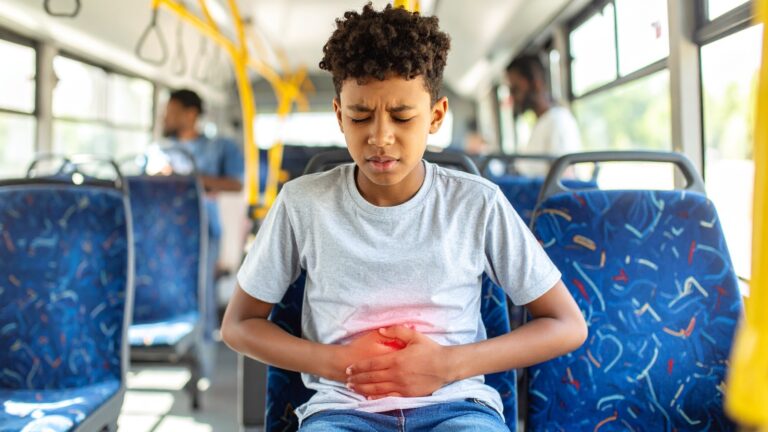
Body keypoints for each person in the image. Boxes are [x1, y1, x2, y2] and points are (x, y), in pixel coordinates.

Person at [222, 4, 586, 431]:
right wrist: (335, 361)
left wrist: (446, 365)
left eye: (402, 116)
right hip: (342, 410)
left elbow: (566, 324)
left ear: (435, 116)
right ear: (339, 115)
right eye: (360, 116)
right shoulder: (303, 204)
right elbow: (238, 325)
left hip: (458, 406)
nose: (380, 136)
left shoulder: (477, 203)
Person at [161, 89, 244, 343]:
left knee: (202, 286)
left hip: (204, 225)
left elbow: (236, 184)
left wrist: (188, 182)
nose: (167, 117)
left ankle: (205, 342)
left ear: (191, 114)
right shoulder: (161, 150)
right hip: (164, 228)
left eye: (172, 112)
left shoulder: (219, 147)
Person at [506, 54, 581, 157]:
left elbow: (565, 172)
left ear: (536, 84)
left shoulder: (558, 121)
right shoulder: (541, 122)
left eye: (515, 89)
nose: (513, 97)